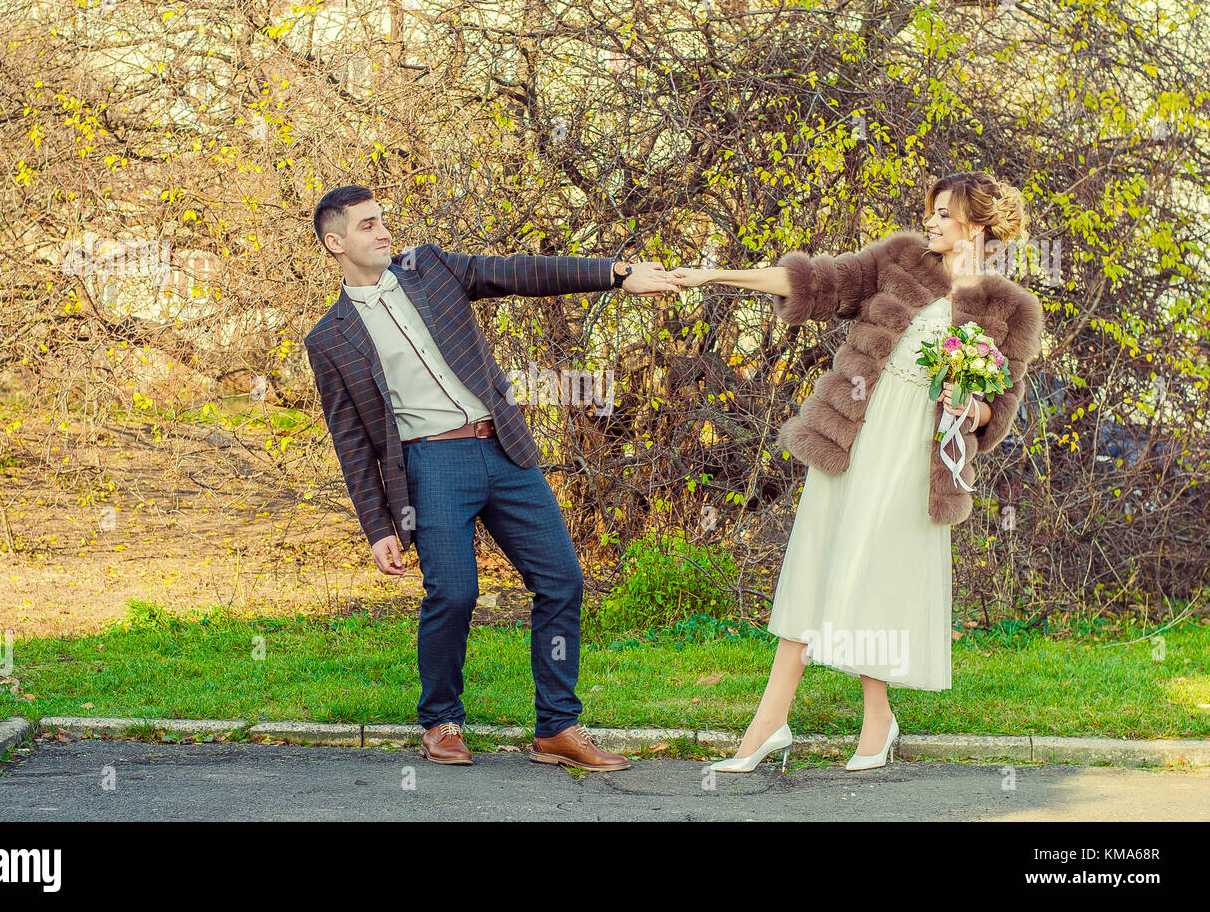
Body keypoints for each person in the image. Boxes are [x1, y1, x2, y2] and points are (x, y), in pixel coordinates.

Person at [667, 172, 1045, 772]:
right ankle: (768, 726)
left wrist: (968, 405)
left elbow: (997, 414)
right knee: (815, 563)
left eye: (944, 214)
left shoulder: (1011, 310)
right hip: (854, 439)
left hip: (914, 460)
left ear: (976, 223)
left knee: (880, 577)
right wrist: (714, 274)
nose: (931, 222)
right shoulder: (899, 262)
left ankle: (877, 721)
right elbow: (813, 282)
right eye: (932, 212)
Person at [304, 185, 678, 771]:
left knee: (562, 582)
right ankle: (441, 721)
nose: (384, 233)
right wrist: (376, 525)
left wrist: (615, 273)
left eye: (384, 221)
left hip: (502, 449)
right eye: (368, 225)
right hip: (431, 467)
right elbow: (350, 439)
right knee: (454, 594)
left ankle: (558, 729)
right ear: (336, 243)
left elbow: (518, 272)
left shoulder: (429, 269)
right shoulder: (329, 338)